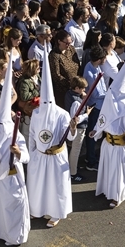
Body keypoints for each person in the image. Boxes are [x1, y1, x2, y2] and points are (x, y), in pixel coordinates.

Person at [94, 34, 125, 208]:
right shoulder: (110, 98)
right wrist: (97, 130)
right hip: (109, 143)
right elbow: (103, 118)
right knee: (109, 173)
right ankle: (108, 190)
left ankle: (119, 195)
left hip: (122, 145)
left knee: (120, 172)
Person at [0, 61, 31, 246]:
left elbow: (26, 155)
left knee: (15, 205)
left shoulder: (15, 132)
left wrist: (18, 153)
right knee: (0, 208)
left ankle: (16, 236)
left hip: (14, 176)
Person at [28, 48, 73, 227]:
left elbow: (69, 136)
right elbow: (32, 133)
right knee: (38, 185)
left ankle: (56, 213)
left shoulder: (62, 114)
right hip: (40, 155)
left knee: (55, 186)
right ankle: (37, 210)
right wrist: (32, 152)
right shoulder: (37, 113)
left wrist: (73, 127)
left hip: (56, 156)